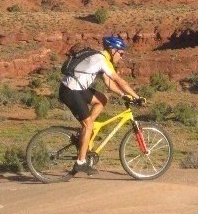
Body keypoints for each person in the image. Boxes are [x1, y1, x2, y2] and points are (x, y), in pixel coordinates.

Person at [58, 35, 142, 175]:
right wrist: (137, 97)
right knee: (88, 125)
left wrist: (123, 95)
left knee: (102, 99)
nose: (121, 56)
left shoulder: (101, 58)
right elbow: (119, 81)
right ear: (113, 50)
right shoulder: (101, 60)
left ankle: (85, 133)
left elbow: (108, 82)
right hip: (71, 91)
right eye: (121, 53)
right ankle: (80, 163)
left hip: (77, 88)